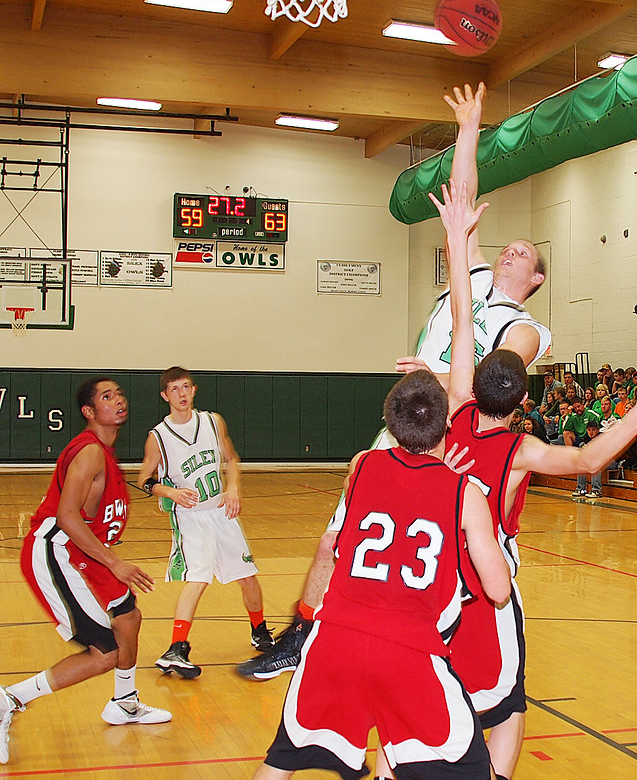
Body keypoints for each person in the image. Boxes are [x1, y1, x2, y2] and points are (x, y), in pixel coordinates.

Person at [355, 179, 637, 780]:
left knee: (413, 703)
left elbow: (465, 307)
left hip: (428, 576)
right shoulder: (520, 449)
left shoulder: (450, 411)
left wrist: (454, 238)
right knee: (504, 710)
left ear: (470, 383)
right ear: (525, 397)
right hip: (485, 578)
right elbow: (591, 456)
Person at [214, 369, 557, 780]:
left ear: (387, 424)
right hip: (411, 653)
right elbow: (496, 590)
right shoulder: (463, 491)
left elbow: (342, 537)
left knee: (280, 760)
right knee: (474, 772)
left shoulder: (361, 466)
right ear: (448, 426)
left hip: (334, 642)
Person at [237, 79, 552, 681]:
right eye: (505, 247)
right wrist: (467, 130)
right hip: (412, 415)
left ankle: (438, 651)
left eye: (523, 254)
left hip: (456, 433)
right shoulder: (474, 276)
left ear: (536, 279)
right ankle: (302, 634)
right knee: (339, 535)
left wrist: (441, 369)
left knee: (434, 553)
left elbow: (498, 376)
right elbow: (464, 197)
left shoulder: (528, 328)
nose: (510, 252)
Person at [0, 378, 171, 764]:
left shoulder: (103, 452)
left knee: (128, 616)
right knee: (104, 654)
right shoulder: (91, 453)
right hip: (56, 551)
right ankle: (8, 699)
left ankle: (124, 703)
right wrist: (115, 563)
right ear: (89, 413)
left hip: (83, 551)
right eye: (107, 397)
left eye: (120, 394)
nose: (119, 400)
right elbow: (66, 517)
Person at [136, 367, 274, 680]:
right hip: (190, 517)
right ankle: (177, 647)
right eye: (174, 389)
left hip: (220, 512)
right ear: (165, 395)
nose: (182, 394)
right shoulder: (158, 437)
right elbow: (144, 478)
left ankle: (260, 631)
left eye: (186, 387)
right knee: (198, 577)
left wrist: (234, 487)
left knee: (247, 576)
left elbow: (231, 458)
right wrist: (169, 490)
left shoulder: (213, 421)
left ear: (194, 390)